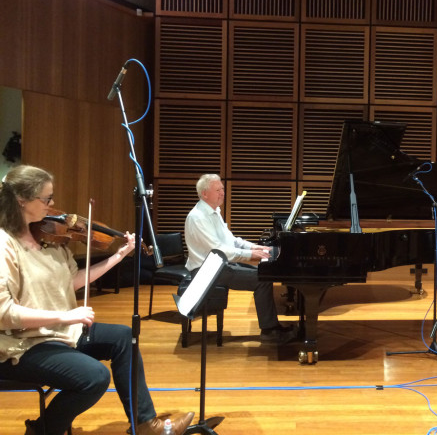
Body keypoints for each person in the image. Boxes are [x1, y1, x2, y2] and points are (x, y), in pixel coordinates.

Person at [0, 165, 194, 435]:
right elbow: (4, 313)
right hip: (23, 345)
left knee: (125, 338)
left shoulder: (48, 239)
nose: (53, 205)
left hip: (59, 332)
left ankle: (146, 424)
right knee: (94, 377)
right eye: (47, 199)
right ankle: (42, 430)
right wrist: (65, 316)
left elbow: (72, 281)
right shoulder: (4, 245)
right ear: (21, 200)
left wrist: (118, 255)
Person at [184, 174, 294, 343]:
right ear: (204, 194)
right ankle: (269, 331)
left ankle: (272, 326)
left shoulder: (213, 212)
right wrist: (251, 255)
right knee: (262, 280)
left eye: (222, 189)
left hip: (218, 266)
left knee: (263, 272)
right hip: (206, 272)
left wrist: (255, 247)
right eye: (218, 190)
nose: (222, 193)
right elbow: (218, 250)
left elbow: (231, 240)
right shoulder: (198, 217)